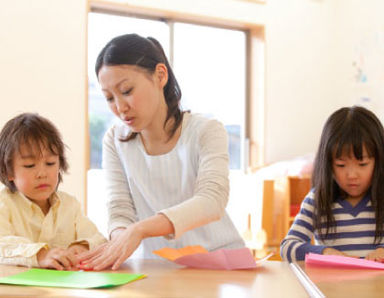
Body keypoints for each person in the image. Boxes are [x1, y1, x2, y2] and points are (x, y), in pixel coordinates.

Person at [79, 33, 244, 270]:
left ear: (160, 75)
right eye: (109, 98)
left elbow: (212, 200)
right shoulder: (115, 141)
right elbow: (119, 210)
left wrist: (140, 229)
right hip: (156, 269)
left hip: (219, 263)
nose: (120, 107)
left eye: (126, 90)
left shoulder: (206, 130)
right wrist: (119, 241)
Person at [0, 113, 106, 270]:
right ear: (8, 171)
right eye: (30, 165)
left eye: (50, 163)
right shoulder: (5, 204)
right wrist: (40, 255)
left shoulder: (70, 205)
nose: (42, 173)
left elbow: (99, 240)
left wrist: (82, 247)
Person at [280, 106, 384, 262]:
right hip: (331, 286)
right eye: (341, 165)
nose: (352, 175)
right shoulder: (317, 200)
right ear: (328, 163)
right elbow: (287, 248)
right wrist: (324, 252)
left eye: (362, 164)